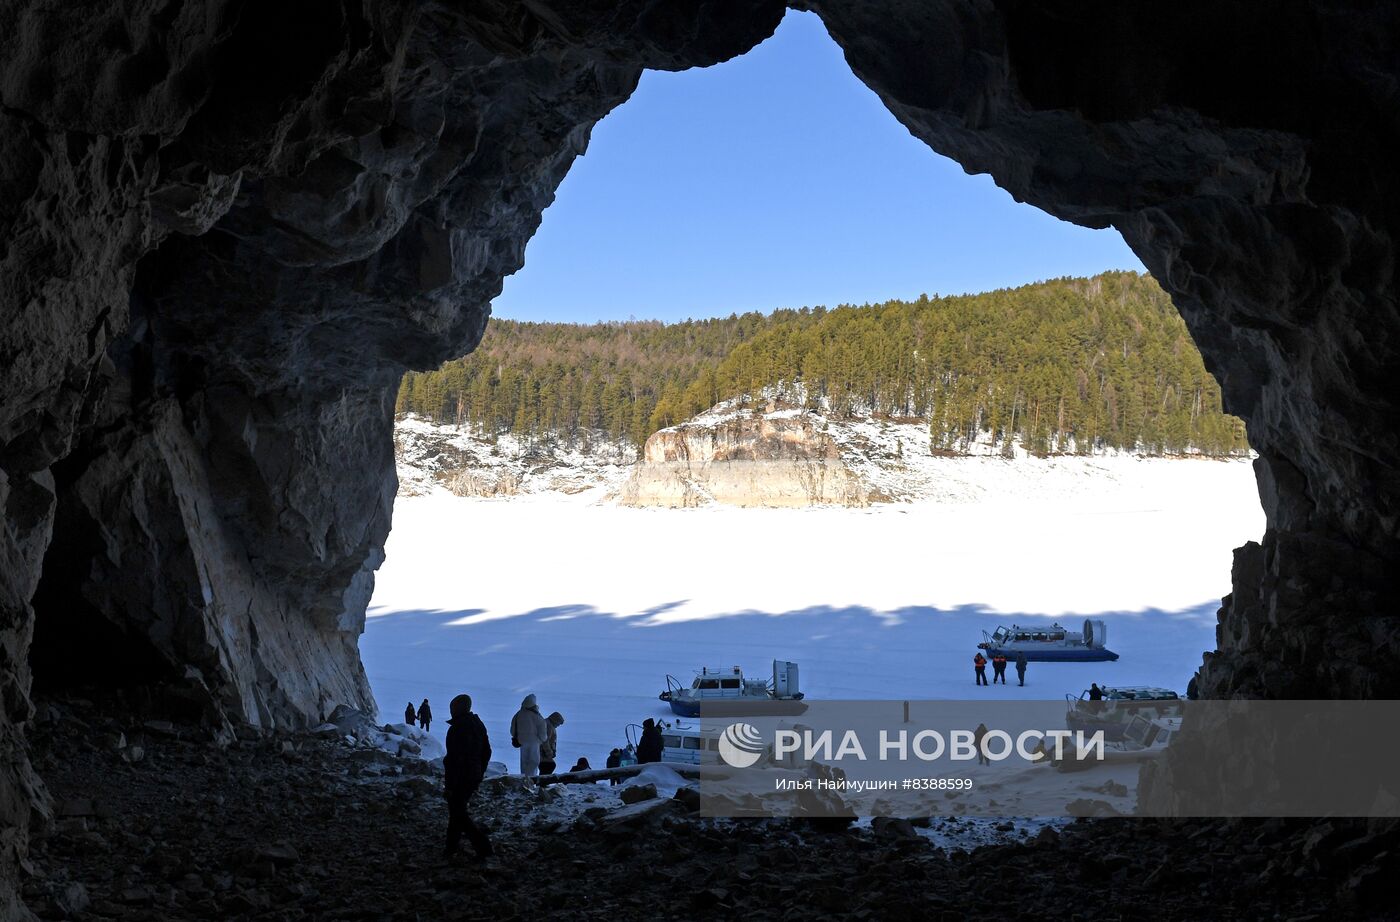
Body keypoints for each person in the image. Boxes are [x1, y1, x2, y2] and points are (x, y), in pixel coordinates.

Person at [443, 694, 493, 860]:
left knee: (458, 812)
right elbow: (487, 752)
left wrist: (449, 785)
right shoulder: (478, 725)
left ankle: (483, 845)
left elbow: (453, 760)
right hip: (473, 775)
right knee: (457, 810)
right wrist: (480, 772)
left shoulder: (457, 728)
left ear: (457, 709)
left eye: (452, 708)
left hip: (461, 777)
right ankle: (451, 846)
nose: (451, 711)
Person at [509, 694, 549, 776]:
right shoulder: (537, 716)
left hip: (522, 742)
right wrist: (542, 740)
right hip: (534, 742)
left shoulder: (517, 715)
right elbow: (542, 732)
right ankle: (531, 780)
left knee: (524, 763)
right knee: (534, 762)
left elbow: (512, 730)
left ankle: (524, 779)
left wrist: (518, 737)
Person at [538, 711, 565, 775]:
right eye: (558, 724)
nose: (558, 726)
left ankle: (542, 782)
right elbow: (545, 740)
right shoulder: (549, 726)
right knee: (550, 765)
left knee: (546, 767)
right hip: (544, 752)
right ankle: (542, 782)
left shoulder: (548, 724)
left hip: (543, 751)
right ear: (555, 720)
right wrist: (549, 752)